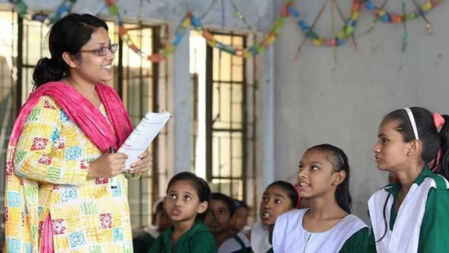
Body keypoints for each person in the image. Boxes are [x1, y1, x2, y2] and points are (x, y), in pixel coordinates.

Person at [4, 14, 151, 252]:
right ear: (70, 58)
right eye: (99, 50)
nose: (110, 55)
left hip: (110, 226)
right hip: (67, 228)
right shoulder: (51, 103)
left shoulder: (110, 99)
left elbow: (117, 157)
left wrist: (136, 164)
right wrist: (91, 169)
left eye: (110, 47)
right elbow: (26, 161)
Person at [368, 107, 449, 252]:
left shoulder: (435, 192)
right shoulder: (381, 199)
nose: (376, 148)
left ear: (412, 147)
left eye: (385, 140)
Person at [273, 144, 369, 252]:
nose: (301, 174)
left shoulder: (354, 231)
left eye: (314, 167)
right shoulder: (286, 222)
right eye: (301, 167)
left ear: (338, 178)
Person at [149, 171, 217, 252]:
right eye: (172, 196)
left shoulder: (203, 238)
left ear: (201, 207)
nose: (177, 203)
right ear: (165, 202)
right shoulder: (164, 236)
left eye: (187, 197)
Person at [251, 181, 298, 253]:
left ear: (293, 210)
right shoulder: (258, 232)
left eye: (277, 201)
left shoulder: (298, 240)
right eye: (265, 199)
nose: (267, 205)